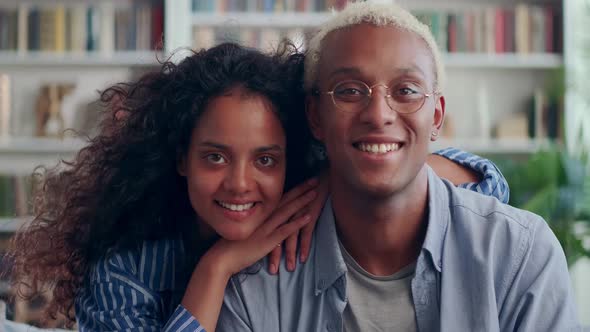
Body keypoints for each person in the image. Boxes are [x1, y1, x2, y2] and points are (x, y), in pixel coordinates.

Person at [8, 42, 507, 332]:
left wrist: (345, 172)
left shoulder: (311, 205)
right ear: (181, 158)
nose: (240, 182)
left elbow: (487, 184)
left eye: (265, 159)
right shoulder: (127, 270)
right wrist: (216, 267)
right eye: (215, 156)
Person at [217, 2, 581, 332]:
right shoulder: (257, 281)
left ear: (436, 116)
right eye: (349, 90)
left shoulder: (519, 256)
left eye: (406, 90)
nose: (378, 114)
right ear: (315, 116)